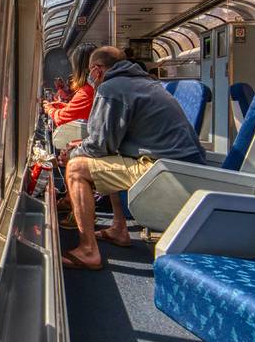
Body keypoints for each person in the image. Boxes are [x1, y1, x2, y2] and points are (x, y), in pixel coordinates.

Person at [61, 46, 206, 270]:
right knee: (109, 157)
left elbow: (100, 146)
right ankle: (119, 228)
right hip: (183, 164)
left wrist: (71, 154)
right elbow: (109, 143)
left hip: (166, 170)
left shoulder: (111, 88)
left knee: (76, 169)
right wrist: (82, 146)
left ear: (97, 70)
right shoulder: (145, 82)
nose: (90, 76)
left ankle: (88, 250)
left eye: (90, 71)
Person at [43, 43, 97, 127]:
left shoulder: (87, 92)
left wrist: (50, 109)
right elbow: (84, 109)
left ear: (77, 67)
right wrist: (67, 106)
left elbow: (60, 119)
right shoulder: (94, 89)